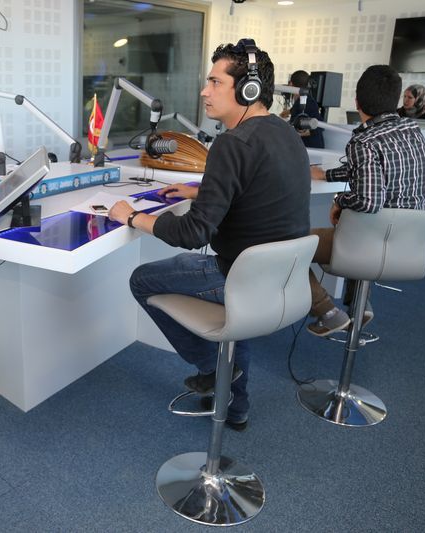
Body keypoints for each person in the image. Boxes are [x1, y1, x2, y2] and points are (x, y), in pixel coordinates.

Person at [109, 39, 311, 431]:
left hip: (239, 275)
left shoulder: (231, 143)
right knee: (238, 319)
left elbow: (193, 231)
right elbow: (256, 187)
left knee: (142, 279)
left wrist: (132, 217)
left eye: (215, 82)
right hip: (281, 279)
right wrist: (200, 190)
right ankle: (235, 406)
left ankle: (214, 369)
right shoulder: (285, 134)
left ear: (248, 90)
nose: (205, 91)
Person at [307, 65, 425, 336]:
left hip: (369, 242)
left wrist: (340, 200)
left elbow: (369, 200)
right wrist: (327, 175)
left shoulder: (364, 141)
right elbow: (372, 171)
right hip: (410, 244)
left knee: (289, 243)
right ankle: (360, 304)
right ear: (396, 99)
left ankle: (328, 312)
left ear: (357, 102)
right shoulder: (412, 130)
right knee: (357, 224)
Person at [284, 70, 324, 148]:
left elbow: (319, 126)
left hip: (311, 148)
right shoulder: (302, 100)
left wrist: (293, 133)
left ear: (291, 84)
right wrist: (288, 112)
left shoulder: (307, 102)